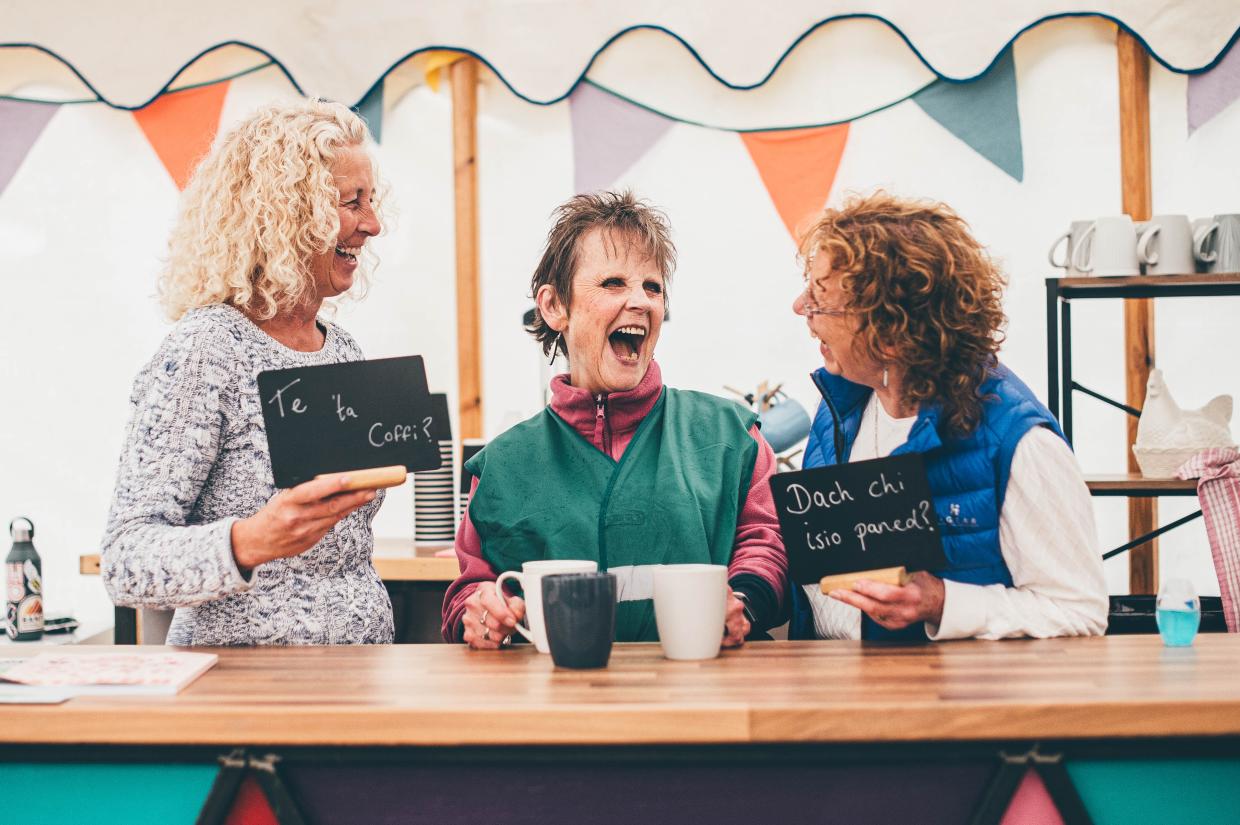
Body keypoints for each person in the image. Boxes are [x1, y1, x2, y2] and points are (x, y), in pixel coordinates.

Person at [101, 99, 393, 645]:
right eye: (351, 203)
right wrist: (248, 541)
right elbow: (125, 559)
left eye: (371, 201)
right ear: (285, 215)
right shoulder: (205, 350)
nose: (372, 225)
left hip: (357, 684)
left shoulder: (345, 350)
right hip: (242, 694)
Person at [443, 191, 788, 648]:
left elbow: (766, 542)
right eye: (612, 283)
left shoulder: (731, 435)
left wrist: (744, 600)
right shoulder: (502, 466)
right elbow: (471, 587)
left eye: (653, 286)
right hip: (557, 705)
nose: (641, 302)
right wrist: (480, 612)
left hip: (707, 695)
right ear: (553, 306)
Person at [790, 192, 1108, 641]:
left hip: (951, 704)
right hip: (839, 697)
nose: (800, 308)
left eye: (821, 300)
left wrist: (943, 601)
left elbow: (1080, 610)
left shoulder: (1018, 442)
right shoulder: (839, 409)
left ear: (890, 333)